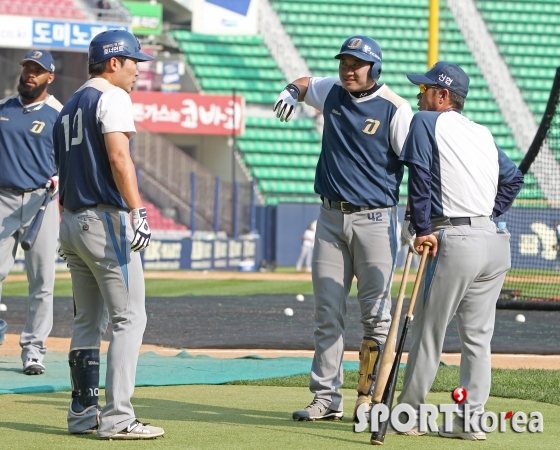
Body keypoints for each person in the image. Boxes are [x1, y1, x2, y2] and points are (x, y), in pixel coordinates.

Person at [273, 35, 413, 422]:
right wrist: (290, 90)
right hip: (330, 218)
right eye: (344, 62)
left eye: (357, 63)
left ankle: (372, 398)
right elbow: (304, 84)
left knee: (376, 316)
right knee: (327, 313)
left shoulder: (396, 109)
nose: (348, 69)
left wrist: (417, 218)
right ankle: (326, 398)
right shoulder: (332, 91)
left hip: (375, 219)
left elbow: (416, 165)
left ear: (375, 67)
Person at [396, 62, 523, 439]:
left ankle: (409, 416)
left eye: (425, 89)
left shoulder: (424, 122)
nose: (419, 95)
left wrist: (422, 228)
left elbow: (419, 176)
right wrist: (486, 214)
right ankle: (471, 421)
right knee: (478, 339)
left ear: (443, 95)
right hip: (494, 241)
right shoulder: (482, 132)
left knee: (427, 333)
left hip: (455, 240)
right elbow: (514, 177)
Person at [53, 30, 164, 439]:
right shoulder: (113, 96)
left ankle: (82, 415)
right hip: (104, 220)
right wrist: (137, 210)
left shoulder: (67, 106)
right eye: (135, 61)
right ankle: (118, 419)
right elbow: (119, 157)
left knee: (87, 323)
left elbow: (63, 170)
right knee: (129, 318)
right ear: (114, 62)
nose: (139, 70)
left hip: (72, 222)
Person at [0, 50, 61, 375]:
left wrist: (60, 178)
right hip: (2, 199)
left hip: (42, 202)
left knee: (42, 281)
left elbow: (70, 158)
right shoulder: (4, 108)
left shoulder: (58, 114)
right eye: (27, 68)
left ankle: (33, 351)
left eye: (36, 70)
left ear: (49, 77)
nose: (29, 74)